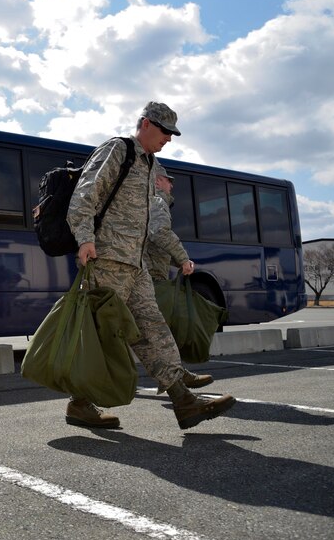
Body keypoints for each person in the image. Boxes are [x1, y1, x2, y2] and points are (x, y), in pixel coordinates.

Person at [66, 101, 236, 430]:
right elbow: (86, 193)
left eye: (172, 134)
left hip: (136, 263)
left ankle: (183, 401)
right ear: (145, 123)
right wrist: (85, 237)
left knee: (153, 329)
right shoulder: (119, 150)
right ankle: (80, 403)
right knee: (104, 335)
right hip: (108, 260)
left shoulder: (150, 164)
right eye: (164, 131)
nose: (169, 139)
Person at [145, 165, 214, 389]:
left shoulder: (143, 203)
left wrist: (177, 260)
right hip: (148, 279)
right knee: (161, 329)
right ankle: (177, 379)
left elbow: (153, 241)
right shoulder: (156, 202)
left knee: (151, 333)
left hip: (143, 276)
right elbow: (159, 233)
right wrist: (183, 258)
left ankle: (175, 380)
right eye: (168, 180)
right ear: (156, 181)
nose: (171, 184)